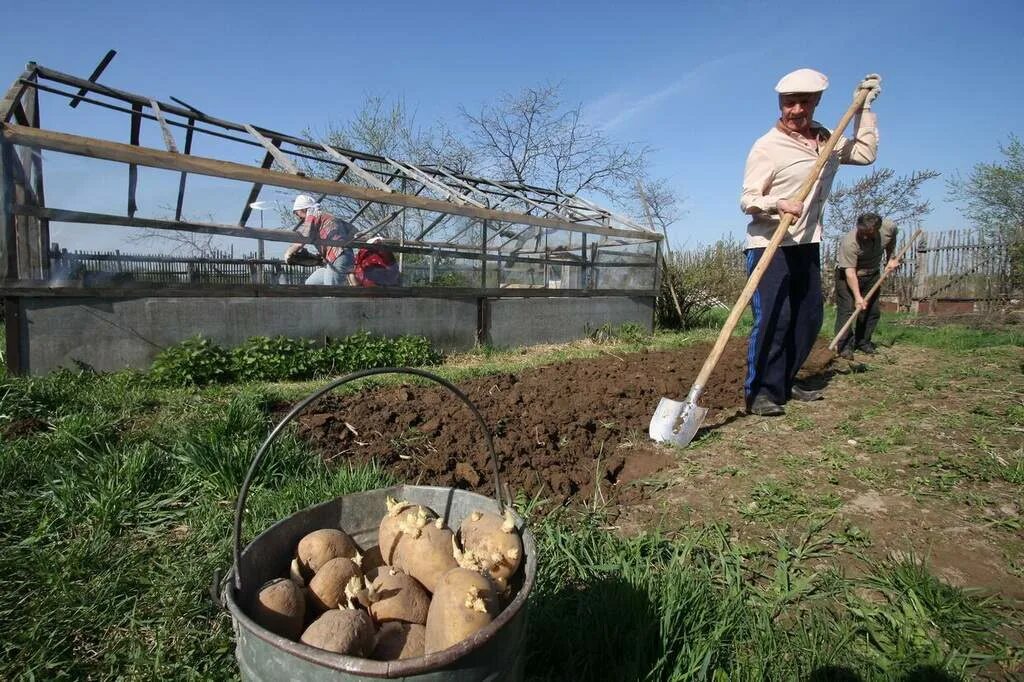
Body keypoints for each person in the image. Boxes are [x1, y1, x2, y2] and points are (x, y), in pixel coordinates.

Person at [740, 68, 881, 416]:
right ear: (780, 103)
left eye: (804, 103)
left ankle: (784, 381)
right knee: (776, 317)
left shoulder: (828, 140)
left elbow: (864, 153)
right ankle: (760, 392)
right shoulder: (767, 147)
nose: (796, 111)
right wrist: (777, 203)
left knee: (808, 318)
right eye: (789, 103)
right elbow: (748, 198)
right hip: (769, 244)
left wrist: (862, 109)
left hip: (807, 242)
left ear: (816, 102)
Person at [834, 213, 900, 359]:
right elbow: (850, 273)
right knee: (847, 310)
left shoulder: (889, 228)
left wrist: (890, 259)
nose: (863, 237)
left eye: (867, 234)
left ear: (877, 229)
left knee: (872, 310)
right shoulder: (849, 242)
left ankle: (863, 342)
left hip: (872, 275)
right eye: (861, 232)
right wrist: (858, 297)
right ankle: (844, 346)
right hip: (848, 276)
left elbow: (891, 241)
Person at [284, 194, 356, 285]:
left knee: (331, 293)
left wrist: (288, 253)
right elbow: (354, 232)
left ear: (303, 209)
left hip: (338, 257)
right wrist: (318, 258)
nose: (297, 217)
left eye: (296, 212)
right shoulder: (328, 216)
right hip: (340, 257)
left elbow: (304, 237)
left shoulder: (312, 213)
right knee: (311, 284)